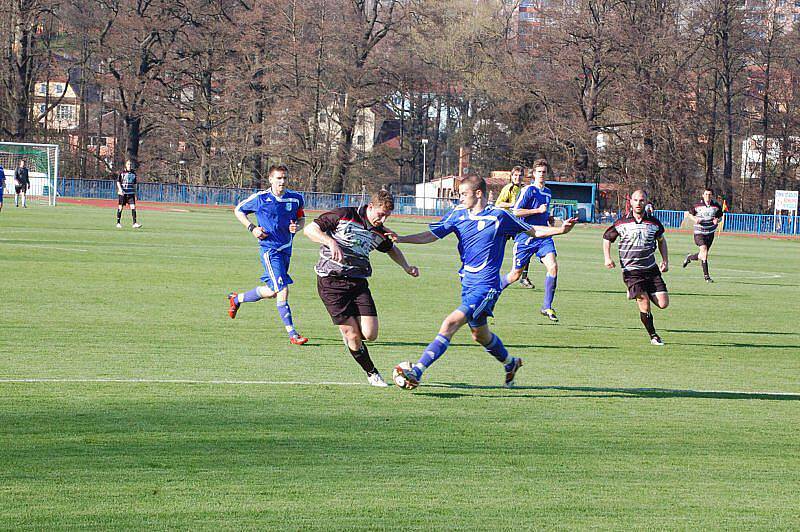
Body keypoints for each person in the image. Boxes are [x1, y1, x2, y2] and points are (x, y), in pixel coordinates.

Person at [393, 176, 577, 389]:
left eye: (463, 194)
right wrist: (402, 238)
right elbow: (431, 235)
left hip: (487, 287)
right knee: (480, 335)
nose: (460, 198)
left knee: (450, 323)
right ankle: (511, 363)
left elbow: (533, 230)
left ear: (478, 193)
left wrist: (561, 230)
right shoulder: (458, 215)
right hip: (468, 285)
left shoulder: (499, 216)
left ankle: (416, 371)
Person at [304, 190, 419, 387]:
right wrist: (330, 241)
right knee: (354, 336)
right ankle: (372, 373)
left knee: (370, 334)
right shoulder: (344, 215)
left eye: (387, 216)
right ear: (370, 207)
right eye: (380, 214)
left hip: (358, 283)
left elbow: (391, 248)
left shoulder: (379, 231)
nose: (382, 219)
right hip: (331, 282)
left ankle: (350, 336)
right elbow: (309, 230)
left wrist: (406, 267)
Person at [227, 164, 308, 345]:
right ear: (270, 179)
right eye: (278, 178)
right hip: (269, 250)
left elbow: (302, 218)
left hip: (286, 248)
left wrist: (297, 227)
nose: (282, 181)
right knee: (283, 290)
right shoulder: (261, 198)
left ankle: (237, 298)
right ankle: (293, 334)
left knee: (272, 291)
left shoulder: (295, 199)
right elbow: (238, 210)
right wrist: (252, 228)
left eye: (285, 178)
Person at [602, 189, 669, 345]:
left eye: (642, 200)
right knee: (644, 302)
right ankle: (653, 336)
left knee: (663, 303)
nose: (638, 203)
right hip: (631, 271)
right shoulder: (621, 223)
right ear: (630, 202)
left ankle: (635, 292)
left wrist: (665, 260)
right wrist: (607, 258)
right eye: (636, 200)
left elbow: (661, 240)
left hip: (651, 269)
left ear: (646, 202)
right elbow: (607, 238)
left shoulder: (654, 223)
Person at [501, 158, 560, 321]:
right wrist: (536, 210)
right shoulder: (528, 190)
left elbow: (543, 212)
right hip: (526, 235)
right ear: (533, 174)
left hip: (543, 236)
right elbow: (516, 212)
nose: (542, 175)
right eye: (539, 172)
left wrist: (549, 217)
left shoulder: (548, 192)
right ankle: (493, 290)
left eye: (544, 172)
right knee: (515, 275)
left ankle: (546, 306)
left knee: (553, 267)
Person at [495, 166, 533, 289]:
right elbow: (498, 204)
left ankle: (524, 278)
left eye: (520, 175)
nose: (517, 177)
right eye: (515, 175)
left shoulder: (524, 189)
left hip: (519, 223)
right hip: (507, 223)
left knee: (527, 248)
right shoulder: (508, 188)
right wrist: (512, 204)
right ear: (511, 176)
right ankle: (493, 274)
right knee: (499, 248)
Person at [683, 187, 724, 282]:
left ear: (712, 196)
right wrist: (695, 219)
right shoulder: (697, 205)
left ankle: (689, 257)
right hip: (699, 232)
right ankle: (707, 277)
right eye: (706, 194)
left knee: (702, 255)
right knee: (704, 251)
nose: (707, 196)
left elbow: (720, 217)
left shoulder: (716, 206)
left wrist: (717, 220)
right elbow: (689, 214)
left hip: (710, 233)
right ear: (703, 195)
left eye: (709, 195)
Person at [116, 160, 142, 228]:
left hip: (131, 193)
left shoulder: (133, 173)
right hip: (123, 194)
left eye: (130, 164)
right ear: (126, 165)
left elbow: (135, 184)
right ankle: (118, 223)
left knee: (133, 207)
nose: (129, 166)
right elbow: (118, 182)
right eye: (128, 164)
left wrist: (136, 194)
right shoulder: (122, 173)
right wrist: (120, 190)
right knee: (120, 207)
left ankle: (134, 223)